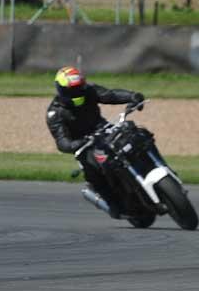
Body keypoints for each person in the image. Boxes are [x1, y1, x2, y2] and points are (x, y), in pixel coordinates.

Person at [46, 66, 144, 217]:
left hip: (103, 130)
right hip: (83, 145)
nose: (77, 92)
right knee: (93, 168)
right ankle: (114, 204)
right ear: (62, 90)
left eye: (79, 87)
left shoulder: (89, 90)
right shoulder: (54, 113)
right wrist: (76, 144)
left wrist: (132, 96)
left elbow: (110, 95)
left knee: (136, 134)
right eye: (72, 90)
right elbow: (62, 142)